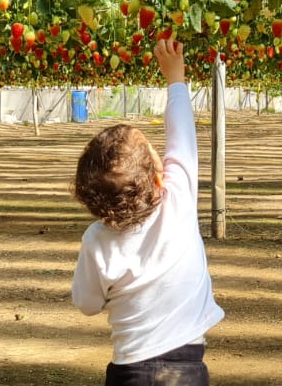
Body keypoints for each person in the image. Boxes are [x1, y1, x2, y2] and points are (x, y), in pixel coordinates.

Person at [71, 38, 223, 385]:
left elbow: (87, 303)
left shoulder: (96, 239)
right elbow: (182, 138)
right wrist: (175, 77)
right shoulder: (177, 202)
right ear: (158, 177)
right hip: (187, 371)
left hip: (130, 372)